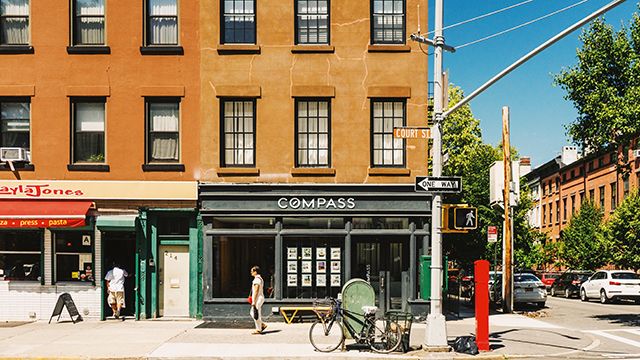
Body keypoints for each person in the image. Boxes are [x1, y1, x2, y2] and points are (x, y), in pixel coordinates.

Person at [249, 265, 267, 334]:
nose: (251, 272)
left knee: (255, 313)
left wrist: (253, 301)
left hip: (258, 298)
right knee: (253, 313)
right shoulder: (260, 279)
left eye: (252, 271)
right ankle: (262, 325)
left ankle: (258, 329)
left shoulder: (256, 280)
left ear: (255, 272)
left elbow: (256, 291)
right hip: (260, 298)